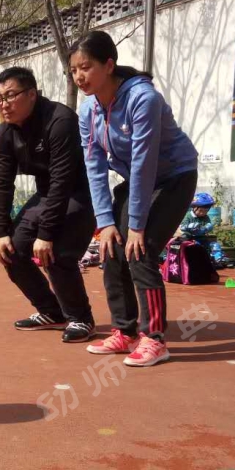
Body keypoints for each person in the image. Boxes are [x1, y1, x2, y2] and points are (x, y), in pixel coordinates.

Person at [71, 30, 198, 367]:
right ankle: (124, 331)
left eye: (86, 67)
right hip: (138, 181)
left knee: (140, 250)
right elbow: (94, 168)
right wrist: (106, 223)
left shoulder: (144, 99)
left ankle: (155, 339)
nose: (79, 76)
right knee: (111, 246)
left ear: (108, 65)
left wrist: (138, 226)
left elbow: (144, 163)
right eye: (74, 70)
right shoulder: (88, 112)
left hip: (173, 178)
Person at [0, 67, 97, 343]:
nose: (4, 105)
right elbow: (2, 183)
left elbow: (63, 180)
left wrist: (46, 234)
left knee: (56, 253)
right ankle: (51, 312)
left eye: (10, 96)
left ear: (31, 95)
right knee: (10, 250)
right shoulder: (5, 133)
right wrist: (1, 231)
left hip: (80, 195)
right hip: (46, 196)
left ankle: (81, 318)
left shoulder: (60, 121)